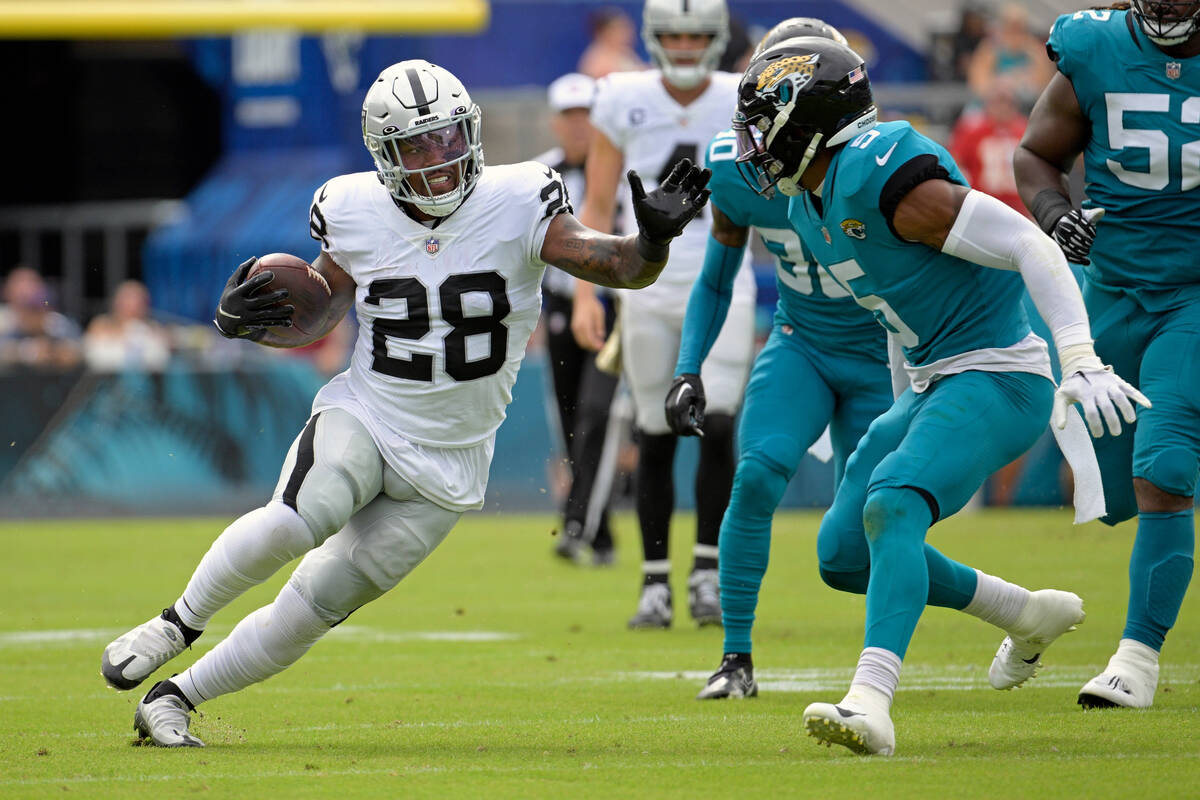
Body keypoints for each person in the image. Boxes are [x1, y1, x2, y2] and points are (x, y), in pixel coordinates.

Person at [100, 59, 712, 748]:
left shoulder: (521, 200)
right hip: (371, 412)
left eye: (450, 137)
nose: (441, 158)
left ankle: (174, 699)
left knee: (314, 607)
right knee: (304, 516)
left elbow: (623, 266)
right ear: (385, 154)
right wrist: (246, 323)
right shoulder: (353, 209)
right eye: (419, 145)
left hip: (453, 460)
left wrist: (653, 238)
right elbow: (320, 313)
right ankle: (173, 624)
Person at [734, 37, 1147, 755]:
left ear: (809, 120)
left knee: (892, 504)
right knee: (842, 556)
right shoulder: (810, 207)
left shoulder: (880, 172)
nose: (754, 144)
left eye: (765, 122)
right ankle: (1024, 612)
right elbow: (897, 310)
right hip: (933, 379)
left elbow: (1028, 242)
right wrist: (905, 404)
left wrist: (1079, 357)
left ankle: (870, 701)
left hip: (1000, 373)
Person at [672, 17, 891, 700]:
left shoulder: (882, 160)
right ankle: (735, 659)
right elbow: (716, 274)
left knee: (879, 517)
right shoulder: (737, 172)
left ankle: (897, 655)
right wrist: (688, 366)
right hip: (802, 343)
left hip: (885, 352)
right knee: (758, 475)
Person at [1013, 1, 1200, 710]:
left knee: (1168, 469)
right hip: (1114, 290)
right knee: (1115, 492)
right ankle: (1027, 620)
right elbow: (1034, 154)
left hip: (1194, 295)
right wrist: (1056, 213)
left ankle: (1137, 658)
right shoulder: (1094, 46)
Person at [573, 0, 755, 629]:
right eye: (672, 33)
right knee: (653, 431)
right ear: (652, 37)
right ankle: (656, 584)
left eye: (695, 34)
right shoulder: (621, 96)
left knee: (720, 422)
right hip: (642, 283)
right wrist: (586, 292)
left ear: (718, 38)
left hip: (723, 276)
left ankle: (705, 572)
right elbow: (596, 200)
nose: (682, 45)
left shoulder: (745, 93)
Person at [535, 73, 621, 565]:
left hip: (615, 307)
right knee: (570, 420)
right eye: (569, 116)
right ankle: (601, 530)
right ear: (555, 121)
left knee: (597, 413)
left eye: (586, 115)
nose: (579, 126)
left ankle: (576, 521)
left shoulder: (621, 168)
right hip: (563, 306)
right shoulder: (540, 176)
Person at [966, 3, 1056, 109]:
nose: (1014, 33)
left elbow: (1045, 84)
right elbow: (978, 84)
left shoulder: (1035, 50)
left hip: (1026, 107)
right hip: (992, 107)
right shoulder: (989, 48)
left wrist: (1022, 82)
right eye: (1010, 27)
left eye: (1018, 28)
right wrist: (1001, 85)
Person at [0, 266, 81, 370]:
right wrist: (29, 352)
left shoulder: (58, 323)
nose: (34, 315)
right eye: (28, 307)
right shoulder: (7, 322)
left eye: (38, 307)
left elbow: (79, 348)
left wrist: (55, 352)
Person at [83, 280, 171, 372]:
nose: (133, 308)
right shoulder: (100, 325)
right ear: (117, 303)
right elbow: (95, 357)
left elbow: (160, 359)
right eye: (128, 301)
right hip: (108, 379)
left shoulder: (153, 328)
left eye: (139, 302)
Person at [578, 7, 645, 78]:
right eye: (621, 29)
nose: (628, 33)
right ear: (605, 32)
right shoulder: (596, 60)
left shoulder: (625, 53)